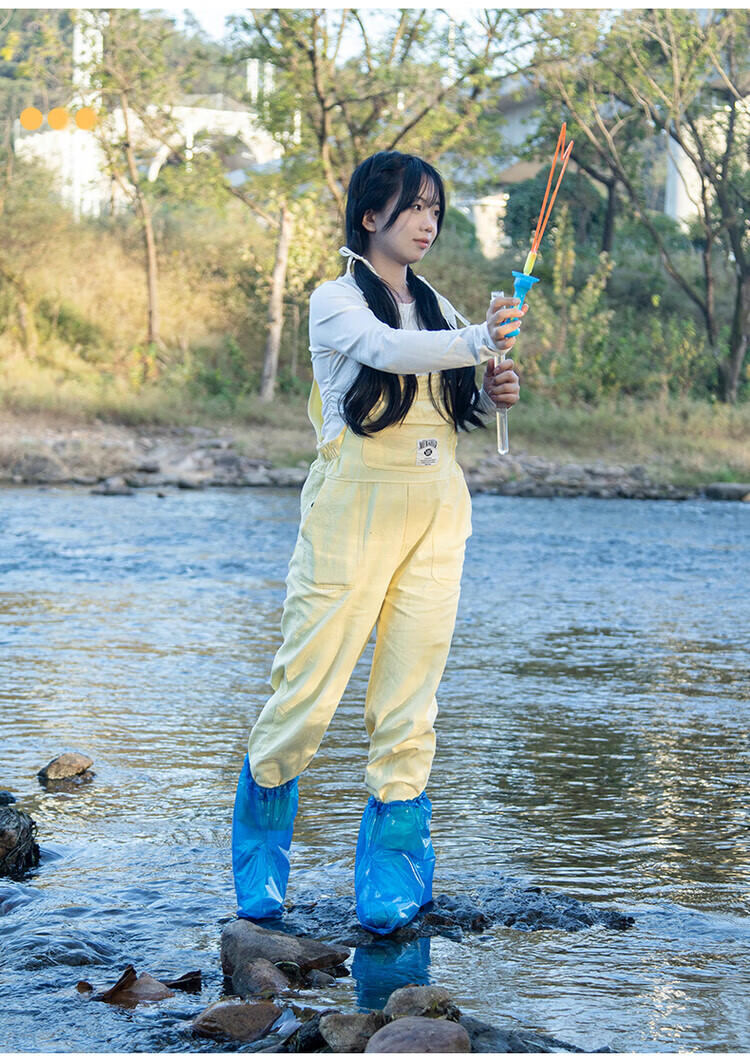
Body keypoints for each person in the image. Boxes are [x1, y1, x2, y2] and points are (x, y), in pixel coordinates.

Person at [232, 150, 526, 935]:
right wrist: (475, 339)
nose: (428, 221)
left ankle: (393, 878)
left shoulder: (436, 302)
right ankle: (261, 864)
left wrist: (495, 384)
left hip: (436, 512)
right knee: (306, 694)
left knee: (410, 701)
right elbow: (390, 356)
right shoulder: (334, 301)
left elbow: (459, 389)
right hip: (350, 513)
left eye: (436, 207)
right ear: (371, 217)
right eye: (414, 207)